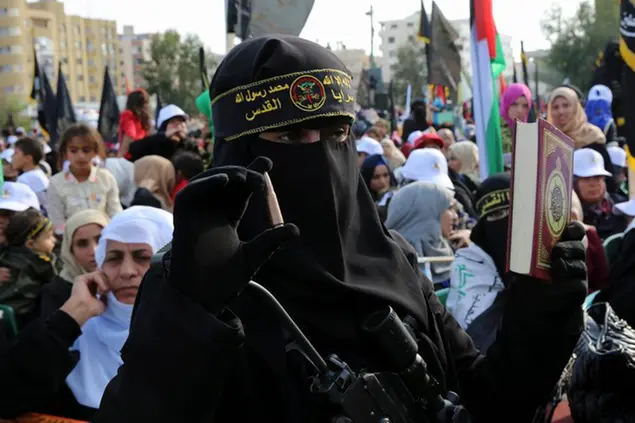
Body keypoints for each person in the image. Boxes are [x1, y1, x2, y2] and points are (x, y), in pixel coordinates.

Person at [93, 35, 587, 423]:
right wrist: (192, 318)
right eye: (291, 135)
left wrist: (541, 308)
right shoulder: (192, 279)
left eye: (336, 132)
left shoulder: (393, 259)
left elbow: (489, 398)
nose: (320, 155)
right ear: (238, 152)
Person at [46, 124, 122, 234]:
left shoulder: (106, 178)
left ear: (95, 151)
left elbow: (115, 214)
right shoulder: (56, 183)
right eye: (73, 150)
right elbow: (57, 222)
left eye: (86, 150)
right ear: (65, 153)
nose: (80, 156)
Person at [40, 210, 110, 317]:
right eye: (82, 244)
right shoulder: (56, 292)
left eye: (100, 240)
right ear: (70, 251)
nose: (94, 251)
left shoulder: (128, 280)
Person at [0, 209, 56, 328]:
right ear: (30, 244)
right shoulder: (40, 263)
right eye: (49, 237)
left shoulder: (6, 254)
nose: (54, 241)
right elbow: (56, 283)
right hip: (22, 320)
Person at [128, 104, 199, 162]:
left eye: (181, 121)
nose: (178, 126)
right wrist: (164, 136)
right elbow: (134, 148)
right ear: (164, 127)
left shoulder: (190, 145)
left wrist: (185, 139)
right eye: (172, 122)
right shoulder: (155, 144)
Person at [13, 137, 49, 210]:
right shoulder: (38, 173)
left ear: (28, 158)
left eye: (16, 153)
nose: (12, 157)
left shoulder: (25, 179)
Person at [117, 89, 151, 159]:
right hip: (142, 157)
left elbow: (130, 135)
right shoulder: (143, 119)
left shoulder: (127, 114)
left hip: (129, 157)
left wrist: (119, 156)